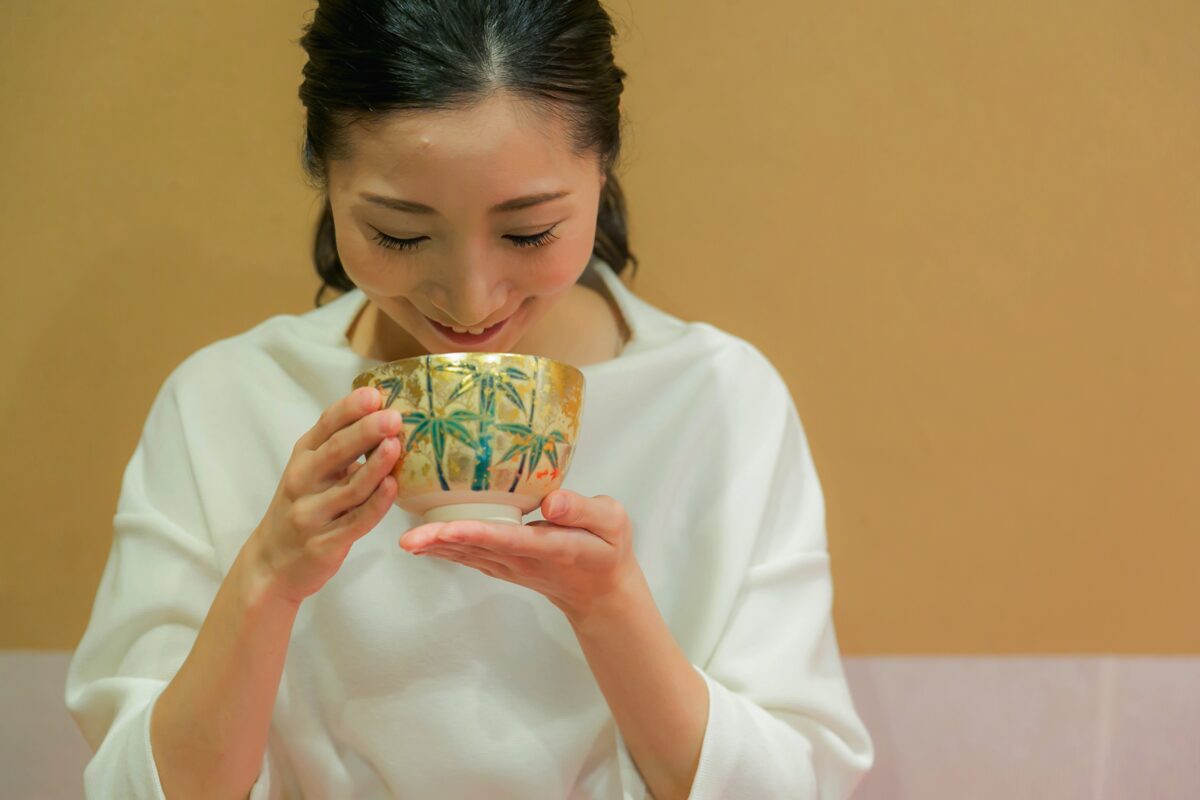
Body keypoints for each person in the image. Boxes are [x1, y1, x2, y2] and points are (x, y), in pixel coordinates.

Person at [64, 1, 875, 798]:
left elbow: (794, 785)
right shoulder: (225, 403)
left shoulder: (720, 402)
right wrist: (269, 577)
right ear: (327, 180)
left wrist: (609, 608)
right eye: (400, 234)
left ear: (603, 169)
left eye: (528, 233)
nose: (471, 301)